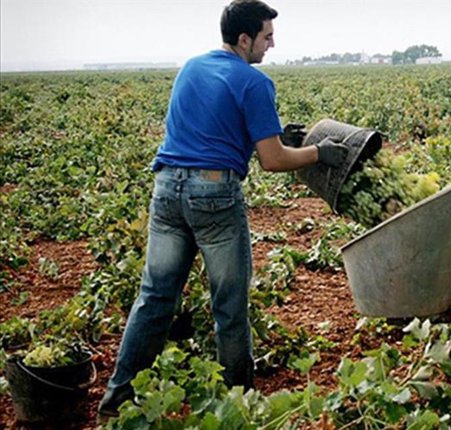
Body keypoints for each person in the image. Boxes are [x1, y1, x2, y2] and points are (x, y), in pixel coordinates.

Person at [98, 0, 347, 417]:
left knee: (155, 297)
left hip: (166, 190)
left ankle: (116, 399)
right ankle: (239, 404)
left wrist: (271, 133)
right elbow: (273, 160)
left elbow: (209, 126)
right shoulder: (253, 82)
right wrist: (319, 153)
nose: (272, 44)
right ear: (245, 39)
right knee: (229, 304)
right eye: (267, 36)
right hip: (213, 195)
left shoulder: (191, 67)